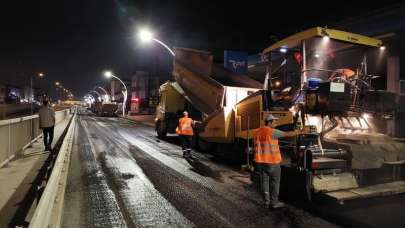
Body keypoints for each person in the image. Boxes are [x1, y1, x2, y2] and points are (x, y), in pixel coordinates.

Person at [253, 114, 307, 209]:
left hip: (260, 162)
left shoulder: (257, 132)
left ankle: (266, 202)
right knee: (275, 182)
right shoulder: (272, 132)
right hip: (272, 162)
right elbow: (288, 134)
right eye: (274, 122)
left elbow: (257, 146)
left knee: (264, 182)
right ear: (269, 122)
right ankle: (274, 203)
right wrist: (301, 131)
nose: (276, 123)